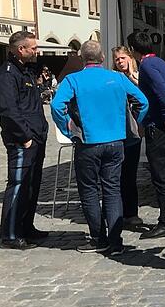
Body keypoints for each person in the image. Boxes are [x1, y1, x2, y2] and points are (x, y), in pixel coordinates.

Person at [51, 41, 149, 254]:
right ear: (103, 57)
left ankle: (98, 238)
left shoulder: (73, 79)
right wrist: (133, 123)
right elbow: (143, 101)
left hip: (88, 142)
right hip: (115, 141)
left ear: (83, 59)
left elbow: (56, 106)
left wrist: (69, 129)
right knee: (113, 190)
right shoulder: (117, 78)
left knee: (89, 191)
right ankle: (115, 241)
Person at [0, 31, 49, 250]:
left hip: (36, 136)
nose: (37, 51)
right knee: (18, 184)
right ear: (21, 50)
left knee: (31, 185)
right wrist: (24, 137)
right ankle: (10, 234)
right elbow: (8, 110)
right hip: (22, 140)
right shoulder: (7, 74)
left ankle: (27, 227)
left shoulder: (24, 70)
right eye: (33, 48)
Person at [127, 31, 165, 240]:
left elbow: (162, 91)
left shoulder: (148, 66)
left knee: (161, 176)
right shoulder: (160, 62)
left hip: (158, 127)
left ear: (133, 50)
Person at [112, 46, 146, 229]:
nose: (119, 62)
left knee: (129, 174)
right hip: (117, 131)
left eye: (122, 58)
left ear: (130, 58)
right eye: (117, 59)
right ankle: (117, 213)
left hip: (133, 132)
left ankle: (131, 213)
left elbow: (144, 101)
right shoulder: (114, 77)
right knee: (116, 175)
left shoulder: (139, 76)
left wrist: (139, 124)